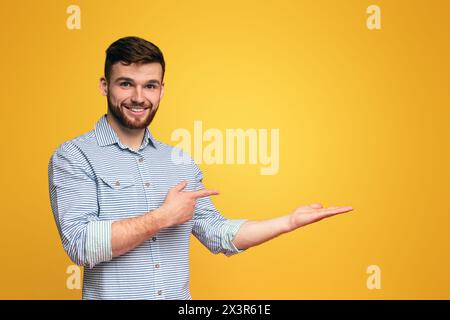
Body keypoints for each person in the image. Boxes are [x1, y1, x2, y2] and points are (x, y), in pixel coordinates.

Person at [48, 36, 353, 300]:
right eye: (126, 84)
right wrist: (162, 218)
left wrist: (288, 221)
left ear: (161, 90)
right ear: (105, 86)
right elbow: (82, 245)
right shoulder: (74, 156)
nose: (139, 98)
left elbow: (218, 234)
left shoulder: (179, 162)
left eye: (150, 86)